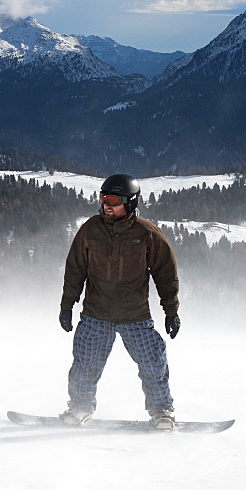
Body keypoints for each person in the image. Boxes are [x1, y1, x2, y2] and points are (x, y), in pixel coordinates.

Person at [58, 173, 181, 430]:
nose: (106, 205)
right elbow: (74, 270)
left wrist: (171, 311)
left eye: (113, 199)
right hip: (95, 313)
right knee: (85, 365)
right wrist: (67, 306)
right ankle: (79, 408)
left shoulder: (147, 234)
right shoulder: (90, 230)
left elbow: (166, 274)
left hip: (134, 315)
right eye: (103, 198)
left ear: (131, 202)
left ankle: (161, 412)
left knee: (153, 364)